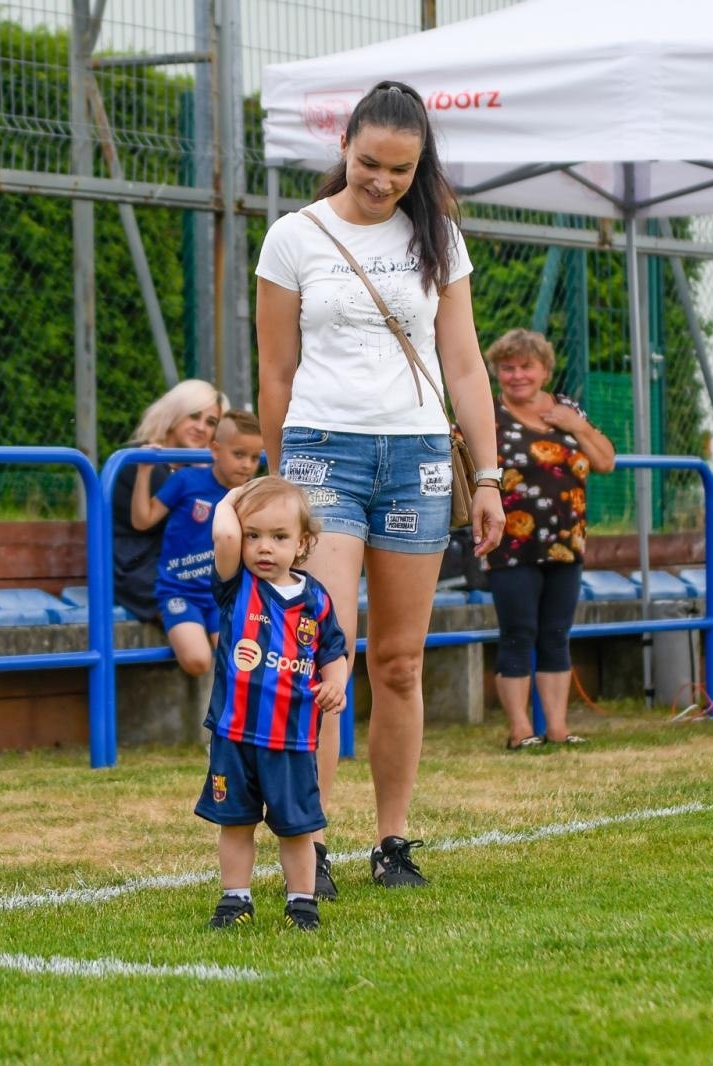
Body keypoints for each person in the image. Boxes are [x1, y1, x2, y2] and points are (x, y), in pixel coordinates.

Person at [255, 80, 504, 893]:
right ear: (343, 148)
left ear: (420, 165)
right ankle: (310, 843)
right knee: (324, 654)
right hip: (324, 453)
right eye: (370, 164)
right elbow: (275, 372)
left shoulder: (439, 239)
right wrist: (276, 486)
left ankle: (392, 842)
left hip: (421, 458)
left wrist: (491, 475)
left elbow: (465, 365)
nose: (382, 182)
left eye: (401, 170)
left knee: (399, 662)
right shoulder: (294, 237)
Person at [196, 477, 347, 931]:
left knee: (297, 828)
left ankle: (301, 901)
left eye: (279, 537)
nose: (264, 548)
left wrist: (335, 684)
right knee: (236, 822)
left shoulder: (316, 599)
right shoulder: (235, 587)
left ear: (303, 543)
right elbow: (223, 534)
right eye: (253, 535)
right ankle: (234, 900)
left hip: (293, 740)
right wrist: (231, 499)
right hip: (235, 736)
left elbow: (332, 652)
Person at [484, 331, 615, 749]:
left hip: (566, 541)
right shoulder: (487, 415)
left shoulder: (567, 409)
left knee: (557, 633)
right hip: (510, 544)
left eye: (526, 366)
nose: (517, 375)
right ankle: (520, 729)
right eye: (508, 367)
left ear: (544, 369)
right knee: (518, 632)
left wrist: (575, 425)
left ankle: (557, 728)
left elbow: (605, 461)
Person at [131, 410, 263, 676]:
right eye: (239, 455)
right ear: (215, 450)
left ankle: (238, 716)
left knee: (244, 664)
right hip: (179, 591)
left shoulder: (250, 495)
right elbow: (142, 520)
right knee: (198, 660)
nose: (247, 465)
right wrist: (144, 471)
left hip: (222, 596)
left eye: (254, 458)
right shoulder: (186, 480)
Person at [111, 380, 227, 624]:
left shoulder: (191, 467)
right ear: (174, 415)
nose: (201, 427)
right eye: (193, 416)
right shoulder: (142, 459)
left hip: (178, 562)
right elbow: (180, 525)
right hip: (137, 568)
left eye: (211, 422)